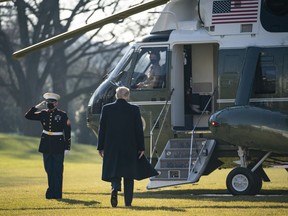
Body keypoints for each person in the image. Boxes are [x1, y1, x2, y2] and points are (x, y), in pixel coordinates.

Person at [97, 86, 158, 207]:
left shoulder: (106, 109)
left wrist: (100, 146)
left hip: (112, 146)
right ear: (127, 95)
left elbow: (102, 129)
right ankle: (128, 202)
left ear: (116, 95)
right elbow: (138, 130)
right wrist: (141, 147)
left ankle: (115, 188)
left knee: (115, 170)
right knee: (128, 174)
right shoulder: (134, 109)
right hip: (130, 146)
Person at [25, 92, 71, 199]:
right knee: (49, 170)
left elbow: (67, 131)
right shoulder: (43, 113)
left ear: (56, 103)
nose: (50, 103)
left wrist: (67, 147)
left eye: (52, 101)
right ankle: (51, 192)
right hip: (46, 145)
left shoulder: (62, 115)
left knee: (58, 171)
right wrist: (36, 107)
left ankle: (57, 194)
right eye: (49, 101)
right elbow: (28, 116)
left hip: (58, 145)